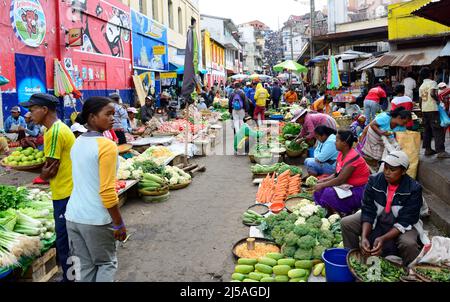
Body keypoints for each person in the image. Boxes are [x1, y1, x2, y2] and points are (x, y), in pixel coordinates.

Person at [65, 97, 127, 282]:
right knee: (107, 263)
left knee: (85, 268)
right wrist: (118, 223)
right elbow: (107, 192)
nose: (112, 118)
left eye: (113, 114)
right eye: (107, 114)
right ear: (92, 117)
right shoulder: (106, 145)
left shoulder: (77, 142)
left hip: (73, 216)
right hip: (96, 219)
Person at [21, 93, 76, 282]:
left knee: (65, 240)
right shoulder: (57, 128)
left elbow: (50, 169)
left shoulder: (53, 132)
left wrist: (32, 172)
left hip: (65, 192)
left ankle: (71, 278)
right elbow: (49, 163)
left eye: (32, 109)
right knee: (67, 239)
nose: (29, 114)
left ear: (44, 110)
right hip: (68, 189)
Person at [341, 151, 424, 266]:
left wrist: (383, 238)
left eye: (393, 170)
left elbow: (406, 220)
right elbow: (368, 210)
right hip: (378, 217)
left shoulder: (414, 189)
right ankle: (354, 260)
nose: (387, 172)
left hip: (403, 224)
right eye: (386, 167)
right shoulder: (374, 181)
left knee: (408, 243)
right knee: (347, 223)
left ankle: (409, 271)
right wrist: (364, 237)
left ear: (404, 171)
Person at [313, 130, 370, 216]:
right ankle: (324, 210)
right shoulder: (341, 153)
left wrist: (322, 184)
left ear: (344, 143)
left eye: (337, 140)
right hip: (346, 185)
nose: (335, 143)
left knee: (328, 192)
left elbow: (340, 179)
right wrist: (323, 180)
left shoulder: (352, 158)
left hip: (358, 190)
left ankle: (339, 213)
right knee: (320, 188)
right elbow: (336, 173)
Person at [419, 67, 450, 158]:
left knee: (427, 130)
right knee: (438, 130)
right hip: (432, 109)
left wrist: (422, 109)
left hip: (425, 110)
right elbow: (433, 94)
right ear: (430, 74)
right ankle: (440, 151)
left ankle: (427, 149)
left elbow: (420, 100)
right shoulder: (433, 83)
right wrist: (438, 101)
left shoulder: (421, 86)